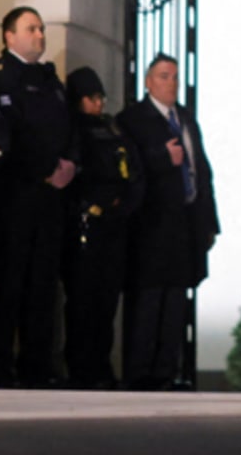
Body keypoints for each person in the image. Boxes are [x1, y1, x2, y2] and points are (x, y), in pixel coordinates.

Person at [0, 6, 77, 387]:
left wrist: (71, 164)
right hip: (13, 197)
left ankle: (36, 368)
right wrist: (46, 168)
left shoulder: (50, 80)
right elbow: (10, 137)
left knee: (43, 286)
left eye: (41, 28)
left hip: (50, 199)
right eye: (31, 28)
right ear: (10, 36)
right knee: (9, 284)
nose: (40, 35)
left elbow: (69, 129)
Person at [117, 53, 219, 391]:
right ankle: (140, 374)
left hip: (184, 224)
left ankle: (166, 372)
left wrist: (209, 222)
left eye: (174, 76)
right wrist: (163, 158)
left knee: (176, 299)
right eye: (163, 76)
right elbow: (129, 168)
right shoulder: (133, 119)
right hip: (150, 225)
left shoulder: (186, 118)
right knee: (149, 299)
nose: (171, 83)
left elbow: (202, 171)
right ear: (148, 82)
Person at [60, 66, 143, 389]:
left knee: (107, 301)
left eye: (100, 98)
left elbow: (133, 171)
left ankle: (101, 366)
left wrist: (124, 204)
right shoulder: (73, 131)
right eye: (90, 98)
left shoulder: (113, 129)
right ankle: (81, 368)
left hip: (114, 226)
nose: (98, 104)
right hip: (85, 226)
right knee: (83, 300)